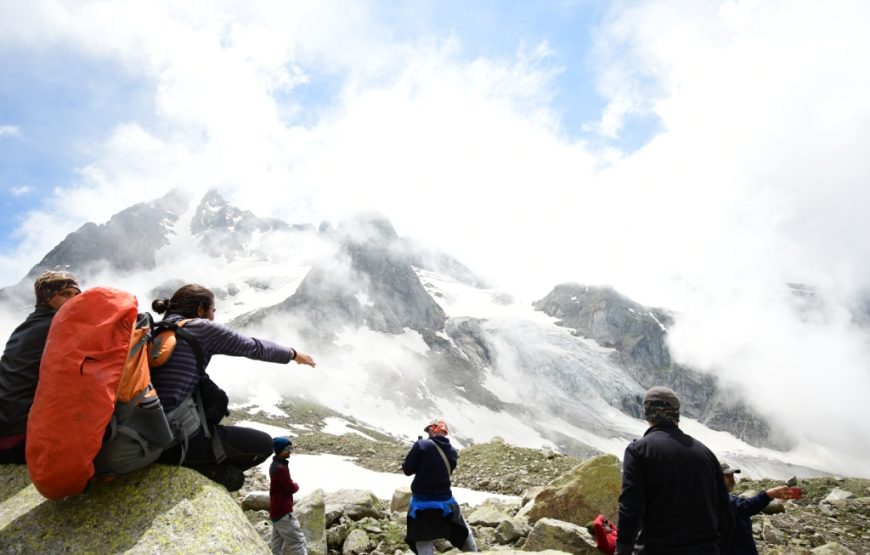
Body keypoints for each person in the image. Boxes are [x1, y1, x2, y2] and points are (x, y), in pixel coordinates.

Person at [151, 284, 316, 490]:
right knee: (264, 445)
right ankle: (204, 471)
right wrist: (292, 354)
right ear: (200, 310)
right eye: (212, 311)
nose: (213, 317)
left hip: (142, 432)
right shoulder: (201, 328)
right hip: (172, 441)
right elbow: (253, 347)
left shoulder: (153, 330)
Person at [616, 386, 734, 555]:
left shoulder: (639, 451)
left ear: (648, 412)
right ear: (676, 415)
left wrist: (622, 552)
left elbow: (630, 508)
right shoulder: (706, 454)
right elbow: (726, 514)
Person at [0, 271, 81, 463]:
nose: (73, 300)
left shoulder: (28, 325)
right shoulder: (55, 326)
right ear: (47, 297)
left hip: (6, 428)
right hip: (22, 437)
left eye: (77, 295)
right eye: (65, 294)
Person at [402, 418, 477, 555]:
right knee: (464, 533)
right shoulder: (453, 452)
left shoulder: (421, 445)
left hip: (421, 504)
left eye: (429, 430)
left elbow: (407, 470)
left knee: (423, 540)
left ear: (432, 429)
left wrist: (416, 450)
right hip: (446, 502)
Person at [721, 463, 792, 555]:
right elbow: (747, 506)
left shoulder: (723, 498)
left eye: (732, 476)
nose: (732, 479)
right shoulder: (720, 500)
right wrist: (768, 495)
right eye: (727, 476)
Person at [270, 437, 307, 555]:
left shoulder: (275, 465)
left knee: (276, 545)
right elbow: (291, 488)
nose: (290, 451)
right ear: (280, 450)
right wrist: (296, 485)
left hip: (276, 511)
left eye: (291, 448)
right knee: (298, 542)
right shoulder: (281, 469)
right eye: (287, 448)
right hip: (284, 512)